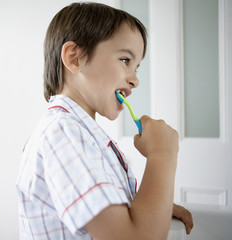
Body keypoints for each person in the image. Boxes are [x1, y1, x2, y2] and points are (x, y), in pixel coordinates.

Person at [16, 2, 193, 239]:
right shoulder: (65, 134)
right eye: (125, 60)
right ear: (75, 58)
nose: (135, 80)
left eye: (137, 68)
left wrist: (150, 208)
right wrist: (162, 154)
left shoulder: (76, 132)